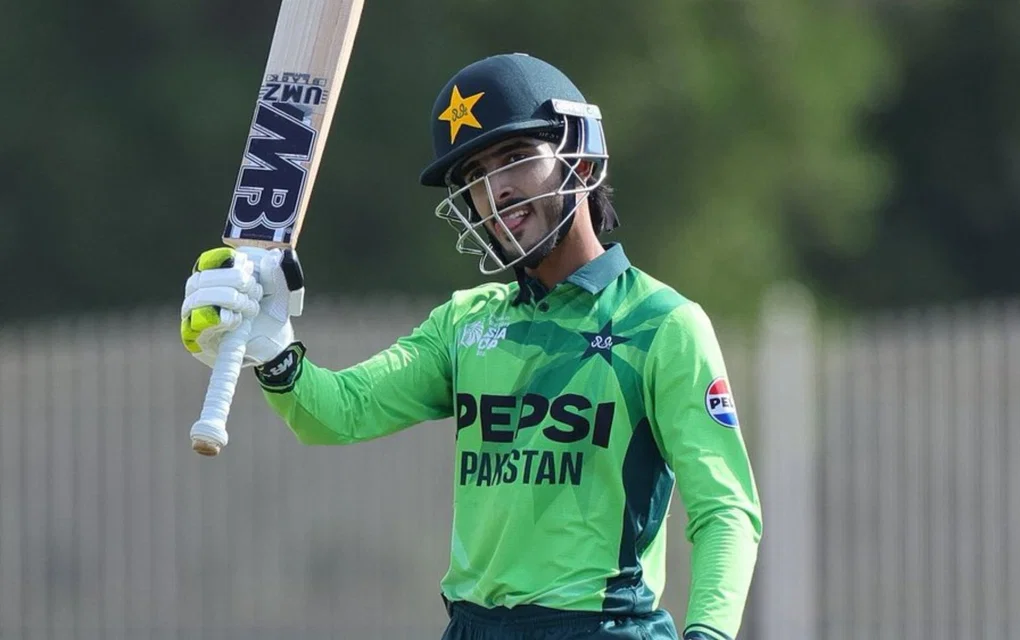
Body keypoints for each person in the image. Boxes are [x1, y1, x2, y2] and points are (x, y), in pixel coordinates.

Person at [180, 52, 762, 640]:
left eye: (514, 158)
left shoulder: (663, 324)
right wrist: (274, 351)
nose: (496, 191)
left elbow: (726, 511)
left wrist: (708, 634)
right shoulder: (465, 323)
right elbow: (341, 411)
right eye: (476, 176)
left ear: (580, 158)